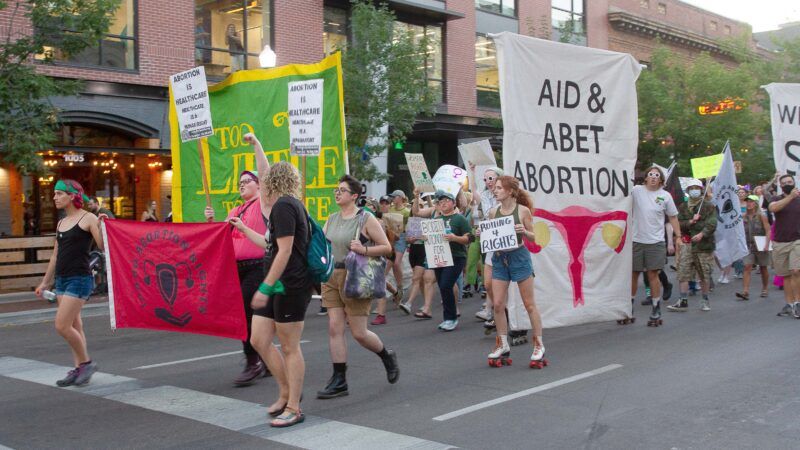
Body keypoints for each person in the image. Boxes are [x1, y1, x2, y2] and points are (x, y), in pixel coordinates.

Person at [229, 141, 311, 427]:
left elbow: (286, 251)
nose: (257, 185)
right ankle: (285, 392)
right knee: (258, 339)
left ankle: (294, 407)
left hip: (290, 284)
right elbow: (269, 244)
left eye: (261, 181)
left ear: (271, 183)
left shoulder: (286, 207)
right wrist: (242, 229)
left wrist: (265, 287)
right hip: (277, 282)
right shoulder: (281, 207)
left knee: (290, 347)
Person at [317, 175, 399, 399]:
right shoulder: (332, 218)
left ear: (354, 196)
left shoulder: (366, 218)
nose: (337, 193)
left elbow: (386, 247)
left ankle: (386, 355)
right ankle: (339, 378)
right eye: (336, 190)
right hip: (331, 275)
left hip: (355, 275)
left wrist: (363, 250)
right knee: (334, 327)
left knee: (359, 333)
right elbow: (322, 245)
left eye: (342, 190)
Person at [204, 136, 271, 386]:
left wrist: (256, 144)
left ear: (258, 186)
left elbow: (265, 175)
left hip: (257, 267)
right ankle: (265, 358)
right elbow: (219, 238)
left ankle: (253, 361)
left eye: (247, 181)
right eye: (240, 182)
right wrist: (211, 222)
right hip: (237, 269)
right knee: (251, 316)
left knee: (245, 313)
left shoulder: (263, 204)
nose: (242, 185)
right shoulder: (235, 211)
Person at [35, 180, 104, 387]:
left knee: (62, 325)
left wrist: (103, 225)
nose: (54, 197)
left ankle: (86, 363)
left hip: (80, 279)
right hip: (62, 280)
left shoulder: (88, 218)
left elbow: (102, 246)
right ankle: (78, 369)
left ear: (72, 196)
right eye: (54, 194)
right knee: (75, 325)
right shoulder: (61, 223)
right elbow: (56, 255)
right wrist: (45, 283)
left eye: (58, 194)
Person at [475, 176, 545, 367]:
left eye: (498, 188)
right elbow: (489, 236)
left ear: (510, 191)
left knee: (529, 304)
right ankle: (502, 342)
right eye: (495, 188)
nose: (495, 191)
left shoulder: (523, 211)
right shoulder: (493, 212)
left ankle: (538, 344)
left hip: (519, 257)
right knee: (497, 304)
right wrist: (482, 233)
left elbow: (535, 238)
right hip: (500, 259)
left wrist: (524, 231)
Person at [631, 167, 681, 326]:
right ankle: (628, 308)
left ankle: (656, 308)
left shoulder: (665, 196)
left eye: (656, 175)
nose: (653, 177)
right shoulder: (636, 190)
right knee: (634, 274)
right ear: (645, 178)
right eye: (650, 175)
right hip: (636, 240)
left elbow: (673, 217)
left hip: (656, 242)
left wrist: (678, 237)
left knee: (653, 275)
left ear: (661, 180)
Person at [668, 179, 716, 312]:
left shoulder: (708, 206)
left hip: (703, 246)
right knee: (683, 271)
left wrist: (702, 234)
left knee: (703, 273)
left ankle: (705, 300)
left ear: (701, 190)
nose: (694, 190)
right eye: (692, 188)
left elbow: (712, 223)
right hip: (687, 243)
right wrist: (690, 221)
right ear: (688, 191)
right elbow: (679, 223)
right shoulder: (683, 207)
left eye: (697, 188)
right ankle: (683, 300)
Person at [429, 190, 470, 331]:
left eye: (447, 200)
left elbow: (470, 238)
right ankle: (448, 318)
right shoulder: (435, 221)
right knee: (443, 287)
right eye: (440, 202)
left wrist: (455, 238)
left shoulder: (460, 219)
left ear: (453, 203)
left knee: (446, 285)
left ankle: (451, 318)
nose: (443, 203)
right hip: (439, 257)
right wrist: (423, 237)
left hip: (456, 256)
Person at [468, 164, 503, 323]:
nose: (488, 181)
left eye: (491, 178)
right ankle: (490, 310)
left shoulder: (506, 196)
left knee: (501, 281)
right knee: (488, 282)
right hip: (490, 241)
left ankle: (495, 313)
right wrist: (472, 172)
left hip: (504, 242)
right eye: (486, 179)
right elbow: (474, 192)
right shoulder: (485, 195)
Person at [767, 174, 800, 318]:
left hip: (797, 241)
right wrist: (790, 197)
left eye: (790, 181)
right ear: (781, 185)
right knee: (785, 275)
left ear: (794, 182)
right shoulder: (777, 199)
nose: (788, 184)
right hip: (780, 242)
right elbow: (773, 209)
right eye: (785, 182)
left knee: (795, 270)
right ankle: (790, 303)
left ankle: (798, 303)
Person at [404, 190, 438, 319]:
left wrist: (428, 195)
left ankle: (409, 303)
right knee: (422, 281)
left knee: (416, 279)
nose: (417, 207)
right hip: (414, 250)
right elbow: (407, 238)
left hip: (424, 250)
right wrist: (411, 239)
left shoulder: (429, 218)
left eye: (420, 206)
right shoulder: (412, 221)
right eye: (415, 205)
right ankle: (426, 305)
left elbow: (431, 208)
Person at [737, 195, 771, 300]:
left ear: (756, 203)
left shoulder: (761, 216)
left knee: (763, 267)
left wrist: (766, 244)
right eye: (747, 202)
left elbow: (768, 230)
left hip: (760, 245)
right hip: (748, 245)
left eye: (751, 202)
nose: (749, 204)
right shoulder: (743, 217)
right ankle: (745, 291)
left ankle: (765, 288)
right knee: (747, 266)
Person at [387, 189, 410, 303]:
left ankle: (400, 288)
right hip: (391, 237)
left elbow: (409, 226)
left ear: (400, 198)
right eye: (392, 197)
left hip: (401, 237)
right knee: (389, 264)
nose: (392, 198)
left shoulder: (406, 211)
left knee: (396, 263)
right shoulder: (390, 209)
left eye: (394, 196)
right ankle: (397, 288)